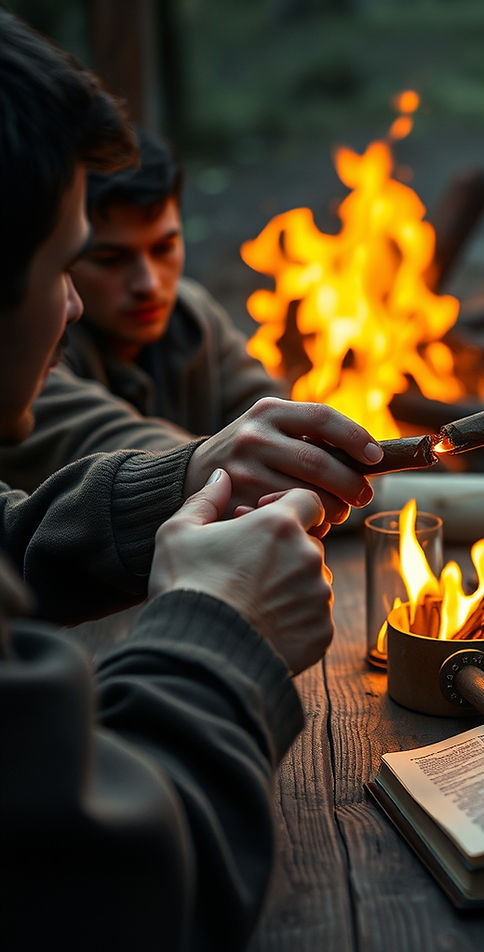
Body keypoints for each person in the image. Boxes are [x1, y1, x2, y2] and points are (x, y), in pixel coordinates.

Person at [0, 11, 379, 948]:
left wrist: (202, 467)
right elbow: (106, 889)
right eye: (68, 264)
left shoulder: (198, 325)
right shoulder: (61, 374)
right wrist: (219, 638)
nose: (85, 302)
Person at [0, 125, 282, 492]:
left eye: (164, 248)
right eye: (110, 259)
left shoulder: (191, 317)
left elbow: (268, 410)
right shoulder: (31, 347)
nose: (148, 284)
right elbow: (104, 443)